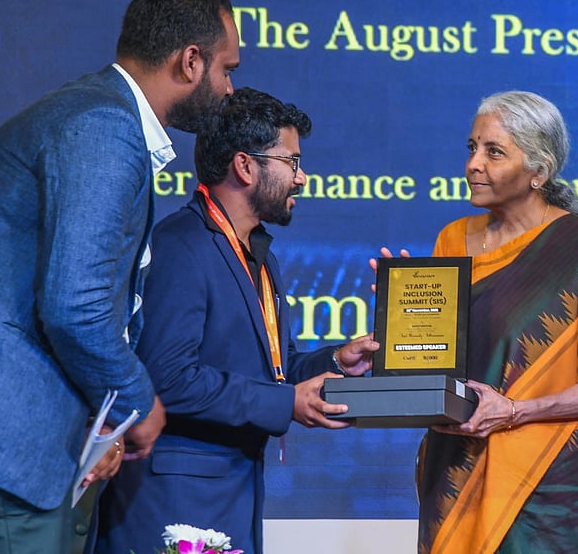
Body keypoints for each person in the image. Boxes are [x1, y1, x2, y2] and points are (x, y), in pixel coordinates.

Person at [0, 0, 240, 553]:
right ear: (190, 61)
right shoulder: (105, 128)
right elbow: (74, 304)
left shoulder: (96, 113)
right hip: (10, 453)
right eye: (227, 68)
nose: (229, 88)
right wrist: (137, 399)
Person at [380, 90, 578, 553]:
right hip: (462, 471)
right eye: (472, 148)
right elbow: (438, 365)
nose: (473, 165)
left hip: (557, 493)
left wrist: (516, 410)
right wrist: (400, 318)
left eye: (494, 152)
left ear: (538, 172)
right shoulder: (453, 240)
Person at [90, 87, 380, 554]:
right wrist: (286, 403)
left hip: (230, 495)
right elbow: (168, 379)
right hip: (175, 502)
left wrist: (336, 360)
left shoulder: (259, 256)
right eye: (292, 161)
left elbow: (271, 369)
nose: (302, 178)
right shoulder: (182, 246)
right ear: (246, 166)